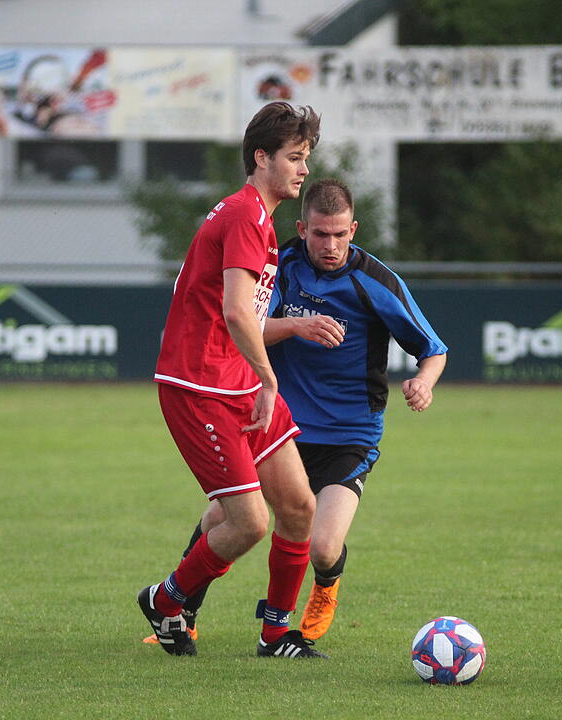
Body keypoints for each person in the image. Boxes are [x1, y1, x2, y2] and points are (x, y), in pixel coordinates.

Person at [146, 179, 448, 647]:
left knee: (323, 546)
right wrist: (296, 327)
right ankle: (182, 613)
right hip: (277, 420)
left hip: (349, 435)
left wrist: (423, 383)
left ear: (354, 230)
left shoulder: (375, 282)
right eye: (321, 234)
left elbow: (433, 349)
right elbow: (241, 326)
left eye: (341, 235)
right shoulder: (277, 264)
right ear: (303, 228)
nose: (330, 245)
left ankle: (323, 588)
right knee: (223, 519)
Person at [141, 102, 325, 659]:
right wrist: (271, 382)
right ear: (261, 157)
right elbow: (237, 314)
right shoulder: (246, 215)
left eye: (307, 158)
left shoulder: (257, 218)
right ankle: (166, 599)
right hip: (200, 387)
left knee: (298, 506)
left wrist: (268, 361)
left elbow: (241, 316)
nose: (304, 170)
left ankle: (274, 634)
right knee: (250, 523)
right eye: (294, 157)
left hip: (235, 380)